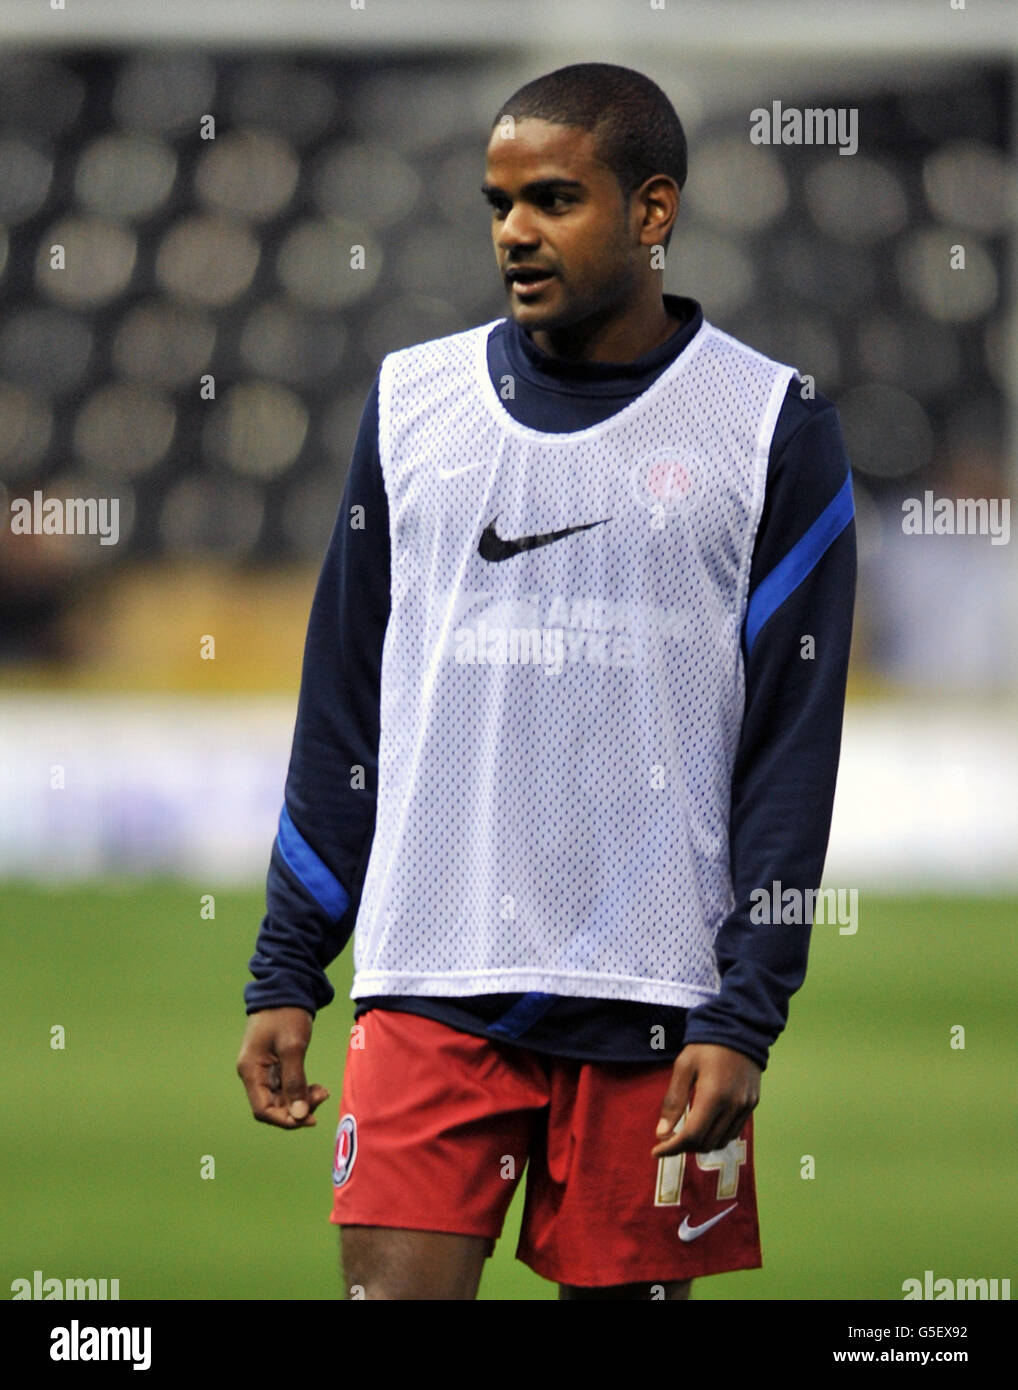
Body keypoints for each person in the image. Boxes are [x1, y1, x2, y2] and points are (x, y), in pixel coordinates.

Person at [236, 61, 856, 1301]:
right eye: (497, 203)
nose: (513, 232)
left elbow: (792, 751)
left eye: (554, 199)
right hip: (430, 977)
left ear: (653, 210)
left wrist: (746, 1013)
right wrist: (288, 963)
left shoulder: (769, 426)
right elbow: (344, 698)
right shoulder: (412, 405)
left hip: (654, 1001)